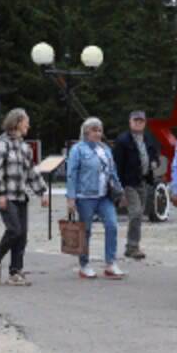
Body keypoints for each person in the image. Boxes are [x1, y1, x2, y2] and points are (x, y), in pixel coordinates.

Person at [0, 108, 49, 286]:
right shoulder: (1, 143)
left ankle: (15, 272)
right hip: (6, 195)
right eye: (26, 121)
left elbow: (32, 172)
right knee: (14, 230)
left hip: (21, 196)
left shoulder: (24, 147)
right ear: (17, 122)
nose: (28, 125)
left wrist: (42, 192)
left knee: (22, 235)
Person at [66, 118, 126, 279]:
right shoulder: (77, 150)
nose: (98, 133)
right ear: (86, 132)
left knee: (112, 225)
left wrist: (120, 192)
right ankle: (84, 265)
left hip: (104, 196)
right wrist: (71, 198)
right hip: (85, 196)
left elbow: (113, 173)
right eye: (94, 130)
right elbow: (72, 174)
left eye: (99, 130)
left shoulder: (105, 149)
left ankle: (110, 263)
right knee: (86, 231)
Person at [113, 111, 161, 260]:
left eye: (141, 121)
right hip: (128, 183)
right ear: (130, 122)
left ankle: (132, 246)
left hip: (144, 181)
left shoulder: (148, 138)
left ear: (145, 122)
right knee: (136, 213)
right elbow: (117, 165)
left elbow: (154, 155)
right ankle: (133, 247)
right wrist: (119, 189)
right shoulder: (122, 140)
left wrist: (155, 162)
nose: (138, 123)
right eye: (136, 120)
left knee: (140, 213)